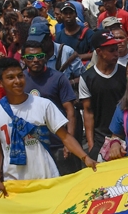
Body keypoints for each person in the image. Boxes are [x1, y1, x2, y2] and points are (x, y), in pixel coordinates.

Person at [0, 57, 94, 194]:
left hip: (47, 178)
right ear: (0, 83)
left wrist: (85, 157)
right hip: (14, 184)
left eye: (20, 76)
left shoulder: (42, 105)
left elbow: (64, 137)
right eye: (10, 78)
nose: (17, 81)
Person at [21, 40, 82, 176]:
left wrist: (69, 143)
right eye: (30, 57)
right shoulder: (20, 80)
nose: (35, 60)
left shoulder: (58, 78)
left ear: (45, 57)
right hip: (33, 147)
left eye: (39, 56)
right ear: (23, 59)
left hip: (59, 145)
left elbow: (70, 112)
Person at [79, 31, 128, 160]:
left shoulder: (126, 73)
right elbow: (88, 113)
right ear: (99, 52)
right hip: (101, 140)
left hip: (126, 137)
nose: (116, 53)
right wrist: (91, 144)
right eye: (112, 50)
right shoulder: (87, 78)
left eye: (116, 49)